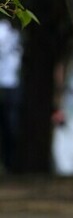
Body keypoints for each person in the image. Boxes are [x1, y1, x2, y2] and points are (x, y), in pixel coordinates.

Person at [0, 18, 22, 174]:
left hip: (11, 85)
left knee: (10, 129)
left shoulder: (16, 31)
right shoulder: (8, 30)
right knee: (9, 129)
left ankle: (10, 164)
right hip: (9, 85)